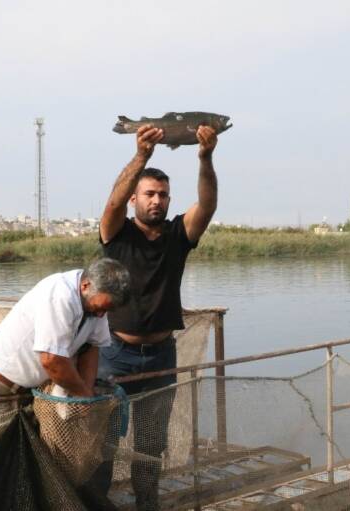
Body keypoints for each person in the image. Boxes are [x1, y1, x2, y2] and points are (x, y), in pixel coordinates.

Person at [90, 124, 219, 509]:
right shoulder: (117, 234)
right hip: (115, 355)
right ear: (134, 199)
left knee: (150, 445)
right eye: (149, 194)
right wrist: (142, 156)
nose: (157, 201)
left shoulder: (179, 233)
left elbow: (208, 206)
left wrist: (206, 156)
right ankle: (97, 504)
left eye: (163, 195)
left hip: (162, 356)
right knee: (105, 444)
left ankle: (148, 504)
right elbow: (111, 205)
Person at [0, 258, 130, 424]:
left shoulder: (96, 304)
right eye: (99, 308)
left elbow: (91, 347)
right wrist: (83, 395)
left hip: (30, 392)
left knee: (26, 452)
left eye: (107, 310)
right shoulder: (60, 295)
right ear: (86, 286)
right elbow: (52, 360)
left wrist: (86, 392)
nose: (101, 315)